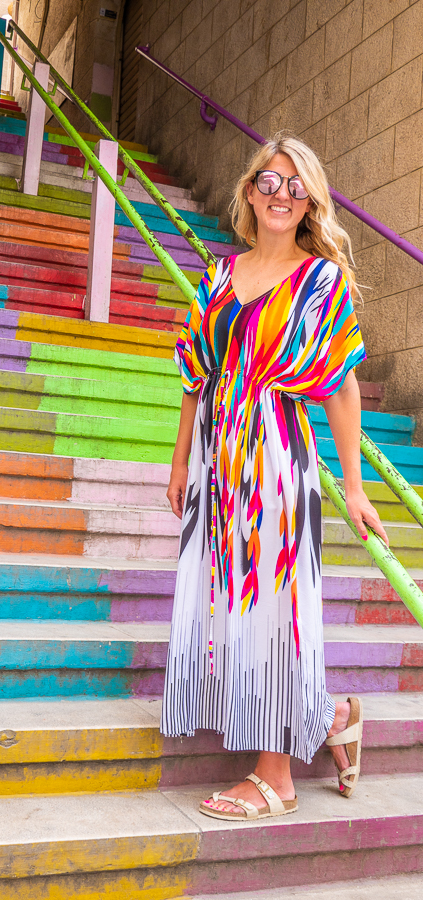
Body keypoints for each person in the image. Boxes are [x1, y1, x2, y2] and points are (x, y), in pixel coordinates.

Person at [163, 133, 389, 822]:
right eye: (270, 181)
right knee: (229, 606)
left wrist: (353, 485)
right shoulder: (216, 276)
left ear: (311, 201)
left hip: (277, 464)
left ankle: (276, 776)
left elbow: (343, 388)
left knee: (273, 611)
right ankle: (333, 717)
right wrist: (179, 461)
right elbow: (195, 375)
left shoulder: (320, 281)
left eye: (297, 186)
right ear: (249, 190)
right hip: (217, 465)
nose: (281, 195)